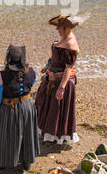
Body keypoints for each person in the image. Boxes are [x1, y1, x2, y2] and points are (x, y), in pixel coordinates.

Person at [35, 13, 89, 145]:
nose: (57, 29)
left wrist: (61, 88)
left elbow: (68, 68)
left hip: (62, 81)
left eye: (59, 27)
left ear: (67, 28)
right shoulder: (63, 39)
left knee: (56, 111)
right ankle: (46, 132)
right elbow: (54, 57)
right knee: (42, 103)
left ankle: (55, 137)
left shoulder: (71, 44)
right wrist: (47, 67)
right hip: (52, 78)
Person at [0, 45, 40, 171]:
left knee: (6, 135)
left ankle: (2, 162)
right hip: (27, 106)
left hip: (9, 107)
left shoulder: (2, 75)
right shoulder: (32, 72)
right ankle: (26, 161)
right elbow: (33, 82)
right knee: (27, 132)